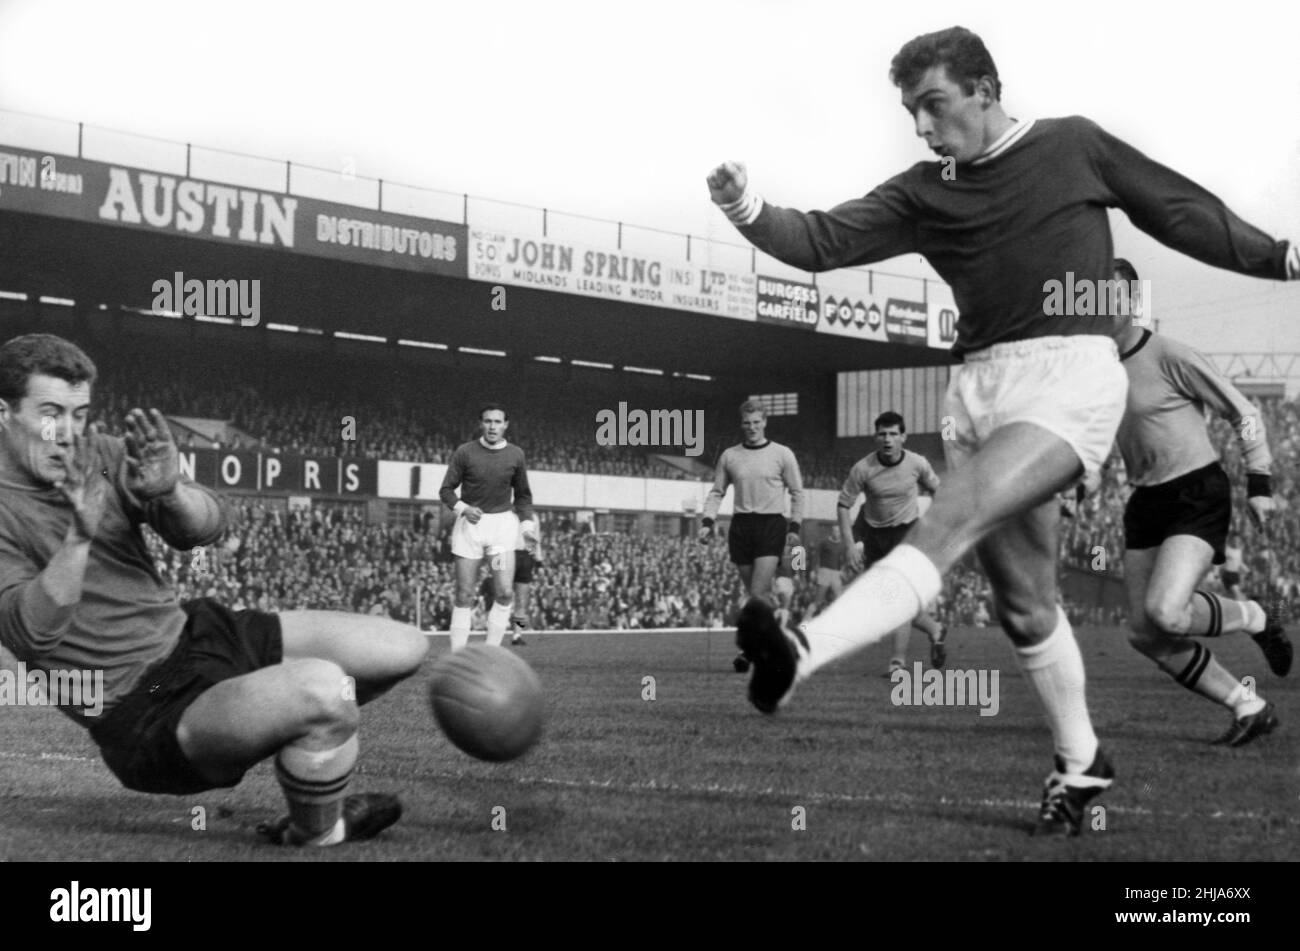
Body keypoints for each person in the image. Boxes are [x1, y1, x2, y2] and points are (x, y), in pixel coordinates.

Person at [707, 25, 1298, 836]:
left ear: (985, 89)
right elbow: (821, 239)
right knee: (1025, 607)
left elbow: (1180, 209)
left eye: (933, 105)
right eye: (911, 110)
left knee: (950, 515)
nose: (921, 125)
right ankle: (1082, 759)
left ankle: (800, 651)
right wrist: (744, 205)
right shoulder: (925, 189)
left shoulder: (1072, 146)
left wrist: (1282, 258)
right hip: (977, 389)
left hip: (1071, 375)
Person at [0, 334, 427, 846]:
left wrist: (172, 491)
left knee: (404, 647)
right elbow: (33, 637)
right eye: (51, 413)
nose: (69, 433)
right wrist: (79, 537)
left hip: (197, 635)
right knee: (325, 689)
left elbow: (205, 528)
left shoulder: (104, 455)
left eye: (80, 413)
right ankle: (317, 830)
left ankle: (273, 725)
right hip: (141, 707)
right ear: (5, 413)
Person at [1111, 260, 1291, 746]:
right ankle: (1248, 706)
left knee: (1167, 614)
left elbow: (1244, 411)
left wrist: (1259, 482)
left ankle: (1255, 616)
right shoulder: (1095, 370)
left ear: (1132, 302)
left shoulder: (1169, 354)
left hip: (1195, 491)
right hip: (1144, 500)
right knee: (1144, 633)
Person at [699, 400, 804, 673]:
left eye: (756, 422)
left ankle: (750, 650)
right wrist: (708, 520)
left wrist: (794, 526)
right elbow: (717, 491)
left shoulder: (782, 454)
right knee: (755, 595)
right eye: (747, 423)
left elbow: (797, 492)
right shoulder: (730, 456)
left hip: (771, 524)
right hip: (741, 526)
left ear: (765, 422)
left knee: (758, 592)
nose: (752, 427)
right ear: (741, 424)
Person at [838, 411, 947, 673]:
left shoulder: (917, 463)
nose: (887, 439)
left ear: (903, 437)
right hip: (875, 537)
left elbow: (939, 490)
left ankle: (897, 663)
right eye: (882, 434)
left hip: (906, 533)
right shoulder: (863, 469)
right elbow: (843, 505)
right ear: (875, 437)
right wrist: (850, 545)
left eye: (893, 434)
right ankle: (935, 628)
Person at [439, 404, 537, 650]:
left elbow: (523, 496)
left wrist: (526, 528)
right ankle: (458, 656)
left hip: (500, 532)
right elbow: (446, 490)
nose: (492, 426)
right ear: (481, 424)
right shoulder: (465, 452)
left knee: (504, 592)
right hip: (470, 529)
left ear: (506, 424)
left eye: (497, 422)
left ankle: (492, 652)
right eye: (488, 421)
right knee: (464, 595)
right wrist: (464, 508)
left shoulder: (516, 455)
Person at [810, 524, 845, 616]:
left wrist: (842, 570)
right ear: (831, 532)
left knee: (839, 599)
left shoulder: (842, 545)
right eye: (834, 531)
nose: (836, 533)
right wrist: (813, 571)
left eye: (838, 531)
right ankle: (806, 622)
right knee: (818, 599)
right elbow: (816, 556)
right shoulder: (824, 542)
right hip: (824, 571)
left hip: (836, 573)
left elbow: (842, 559)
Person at [1221, 533, 1246, 601]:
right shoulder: (1227, 549)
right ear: (1231, 540)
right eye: (1235, 540)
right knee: (1236, 593)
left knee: (1230, 595)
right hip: (1227, 574)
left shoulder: (1239, 551)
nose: (1236, 542)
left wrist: (1247, 570)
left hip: (1235, 575)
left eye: (1238, 540)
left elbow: (1240, 563)